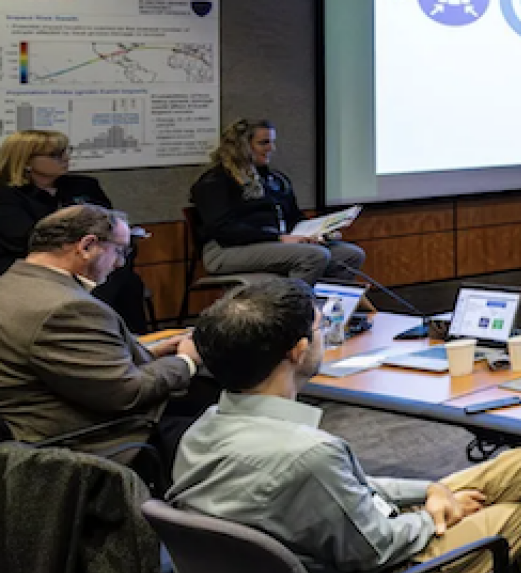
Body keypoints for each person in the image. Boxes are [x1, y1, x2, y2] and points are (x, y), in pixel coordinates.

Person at [168, 279, 521, 573]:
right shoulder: (307, 456)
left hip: (316, 569)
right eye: (321, 328)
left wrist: (430, 490)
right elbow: (374, 548)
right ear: (298, 351)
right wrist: (431, 518)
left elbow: (342, 488)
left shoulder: (203, 430)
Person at [0, 205, 197, 449]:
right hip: (93, 440)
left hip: (37, 427)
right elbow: (126, 393)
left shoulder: (11, 283)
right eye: (119, 251)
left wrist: (151, 351)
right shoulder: (67, 308)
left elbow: (75, 361)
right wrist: (186, 360)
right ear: (86, 246)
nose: (119, 264)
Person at [0, 129, 148, 331]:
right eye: (55, 155)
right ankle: (100, 340)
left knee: (126, 280)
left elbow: (109, 225)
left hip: (94, 260)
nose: (65, 159)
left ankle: (134, 343)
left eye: (66, 151)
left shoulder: (83, 186)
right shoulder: (7, 196)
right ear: (26, 161)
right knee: (101, 285)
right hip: (38, 268)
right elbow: (27, 239)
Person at [189, 118, 365, 285]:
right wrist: (279, 238)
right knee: (313, 256)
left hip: (273, 243)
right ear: (241, 147)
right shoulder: (215, 181)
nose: (272, 148)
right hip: (227, 249)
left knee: (350, 255)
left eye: (272, 142)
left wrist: (317, 232)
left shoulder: (274, 179)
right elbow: (224, 229)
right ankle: (290, 309)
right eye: (264, 143)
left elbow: (293, 217)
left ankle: (326, 310)